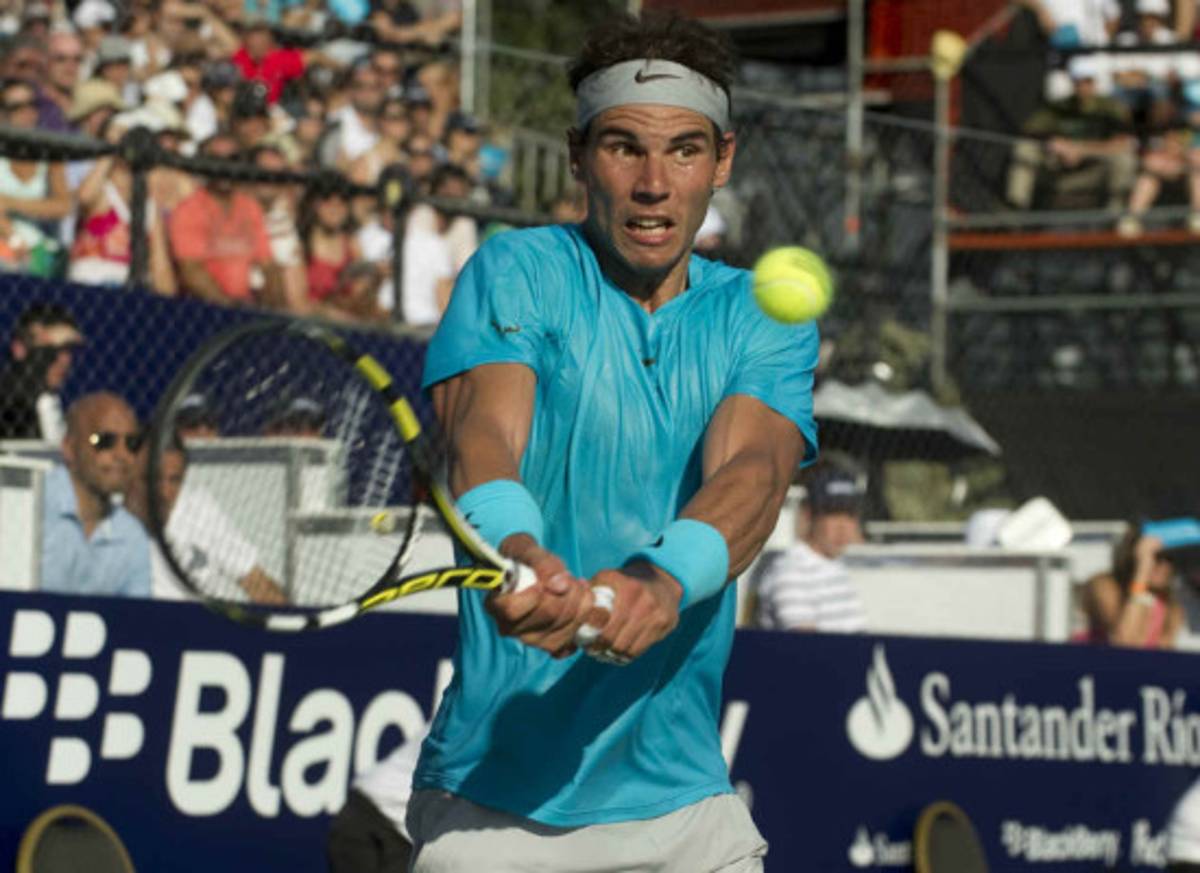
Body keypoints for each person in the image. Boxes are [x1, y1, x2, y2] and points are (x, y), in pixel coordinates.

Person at [406, 12, 816, 871]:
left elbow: (755, 471)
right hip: (492, 811)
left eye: (685, 151)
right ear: (578, 155)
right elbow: (480, 434)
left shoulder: (761, 314)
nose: (654, 184)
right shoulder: (516, 269)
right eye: (625, 147)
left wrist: (662, 581)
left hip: (686, 812)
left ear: (723, 159)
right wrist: (517, 551)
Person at [125, 436, 287, 604]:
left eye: (174, 480)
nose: (165, 493)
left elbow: (257, 583)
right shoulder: (111, 523)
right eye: (153, 479)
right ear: (129, 476)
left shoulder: (200, 511)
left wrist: (289, 617)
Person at [40, 392, 151, 598]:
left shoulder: (132, 536)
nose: (122, 455)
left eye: (132, 443)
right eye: (104, 441)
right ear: (69, 448)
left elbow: (136, 614)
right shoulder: (30, 508)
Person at [749, 461, 868, 633]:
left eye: (849, 515)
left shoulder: (834, 564)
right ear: (808, 515)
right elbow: (806, 644)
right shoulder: (790, 572)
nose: (843, 526)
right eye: (832, 514)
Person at [1006, 56, 1136, 212]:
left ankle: (1116, 214)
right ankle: (1015, 209)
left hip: (1095, 166)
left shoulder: (1111, 107)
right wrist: (1053, 141)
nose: (1083, 87)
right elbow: (1030, 130)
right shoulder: (1061, 106)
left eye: (1087, 81)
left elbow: (1123, 143)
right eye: (1078, 82)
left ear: (1096, 82)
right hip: (1059, 164)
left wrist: (1080, 149)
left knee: (1125, 159)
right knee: (1025, 148)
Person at [168, 133, 282, 306]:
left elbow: (269, 266)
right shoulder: (189, 209)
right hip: (202, 307)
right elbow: (191, 270)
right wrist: (228, 307)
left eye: (232, 159)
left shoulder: (250, 207)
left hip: (247, 304)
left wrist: (270, 308)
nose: (225, 166)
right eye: (216, 159)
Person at [1078, 523, 1185, 647]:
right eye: (1157, 557)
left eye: (1170, 559)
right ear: (1135, 557)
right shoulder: (1104, 585)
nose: (1165, 566)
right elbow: (1125, 641)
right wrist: (1142, 573)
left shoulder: (1171, 606)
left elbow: (1163, 652)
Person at [0, 302, 83, 441]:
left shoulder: (52, 403)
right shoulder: (9, 406)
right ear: (19, 349)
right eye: (50, 350)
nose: (64, 360)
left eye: (68, 350)